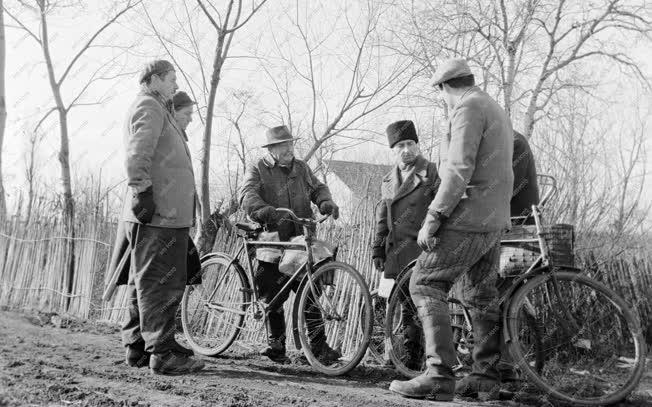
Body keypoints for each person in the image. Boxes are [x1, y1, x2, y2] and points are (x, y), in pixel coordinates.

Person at [389, 58, 514, 401]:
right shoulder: (493, 106)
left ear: (445, 87)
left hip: (469, 217)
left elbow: (458, 168)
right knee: (480, 295)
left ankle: (438, 375)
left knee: (425, 283)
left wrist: (434, 216)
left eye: (441, 93)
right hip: (493, 220)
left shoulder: (467, 107)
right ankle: (484, 377)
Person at [116, 60, 204, 375]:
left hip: (166, 215)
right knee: (160, 286)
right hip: (159, 215)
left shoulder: (157, 107)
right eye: (172, 79)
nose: (176, 85)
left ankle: (138, 347)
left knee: (145, 281)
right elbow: (138, 152)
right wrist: (142, 191)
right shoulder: (149, 107)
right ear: (154, 79)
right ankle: (163, 355)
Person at [239, 125, 341, 364]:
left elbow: (318, 188)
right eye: (283, 146)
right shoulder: (258, 168)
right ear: (272, 149)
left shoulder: (301, 168)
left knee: (311, 294)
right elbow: (247, 194)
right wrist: (262, 210)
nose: (289, 149)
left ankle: (318, 348)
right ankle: (276, 345)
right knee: (272, 295)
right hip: (272, 242)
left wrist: (325, 201)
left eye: (290, 144)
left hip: (299, 242)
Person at [371, 120, 439, 369]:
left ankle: (415, 359)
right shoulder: (388, 180)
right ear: (393, 150)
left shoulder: (431, 172)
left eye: (410, 143)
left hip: (421, 250)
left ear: (417, 145)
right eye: (400, 145)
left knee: (418, 305)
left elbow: (443, 208)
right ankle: (394, 356)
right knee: (393, 304)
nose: (406, 149)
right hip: (394, 253)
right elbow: (381, 218)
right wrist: (378, 248)